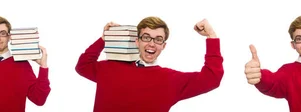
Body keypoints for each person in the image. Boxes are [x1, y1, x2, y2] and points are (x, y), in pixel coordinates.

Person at [75, 17, 224, 112]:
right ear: (137, 41)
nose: (151, 44)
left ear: (163, 45)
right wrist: (105, 38)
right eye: (146, 37)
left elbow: (212, 78)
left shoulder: (171, 80)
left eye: (158, 39)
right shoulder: (110, 68)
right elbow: (82, 66)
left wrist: (212, 36)